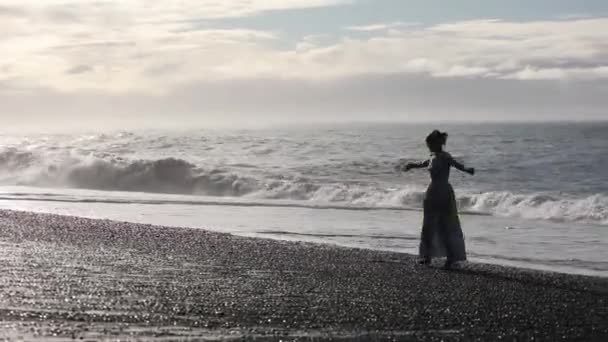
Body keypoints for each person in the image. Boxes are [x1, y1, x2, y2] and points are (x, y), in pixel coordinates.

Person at [402, 130, 474, 269]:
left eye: (429, 144)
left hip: (445, 193)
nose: (428, 147)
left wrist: (467, 170)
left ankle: (452, 258)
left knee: (447, 224)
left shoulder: (445, 156)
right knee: (429, 224)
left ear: (436, 144)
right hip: (432, 192)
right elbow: (421, 164)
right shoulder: (432, 157)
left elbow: (457, 165)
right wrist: (410, 165)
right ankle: (426, 256)